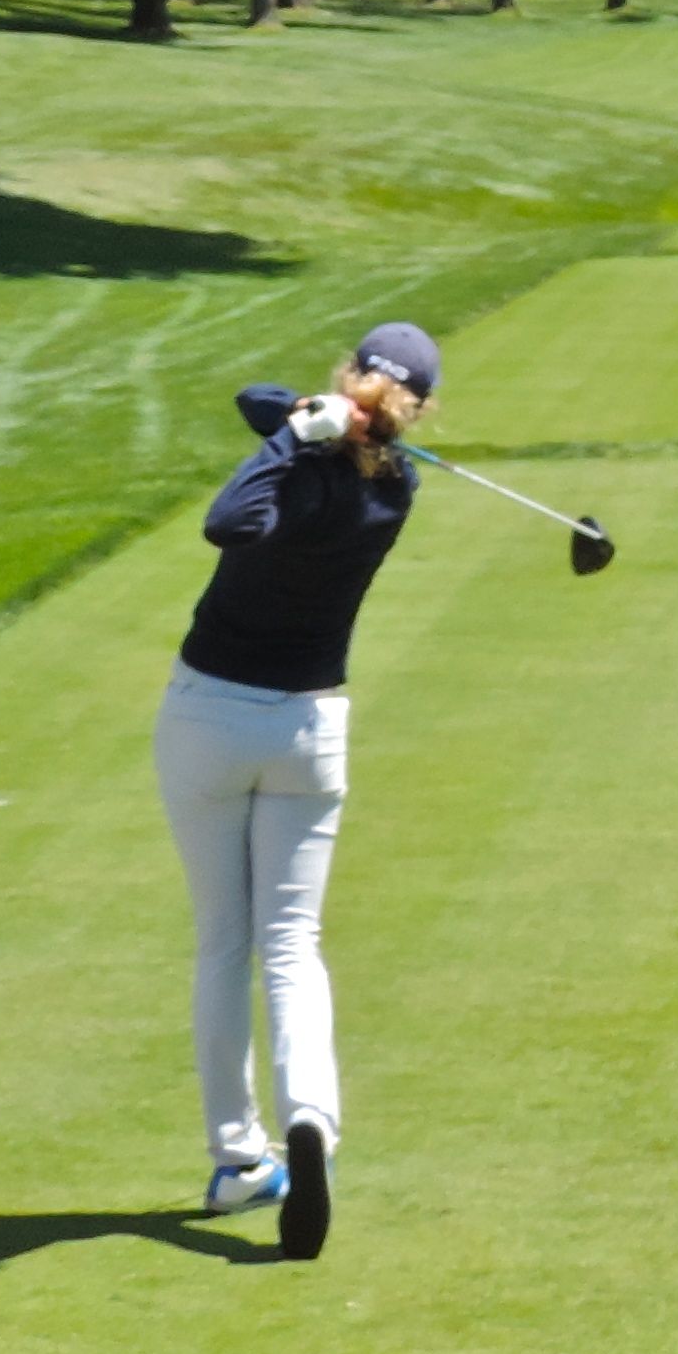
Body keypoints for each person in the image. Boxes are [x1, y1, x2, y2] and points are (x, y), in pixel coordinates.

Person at [163, 319, 440, 1261]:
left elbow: (226, 521)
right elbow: (253, 395)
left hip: (209, 719)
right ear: (418, 410)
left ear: (351, 376)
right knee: (292, 944)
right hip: (310, 732)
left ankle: (242, 1159)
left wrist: (293, 437)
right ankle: (311, 1119)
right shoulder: (398, 488)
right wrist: (306, 422)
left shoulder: (289, 471)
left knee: (223, 943)